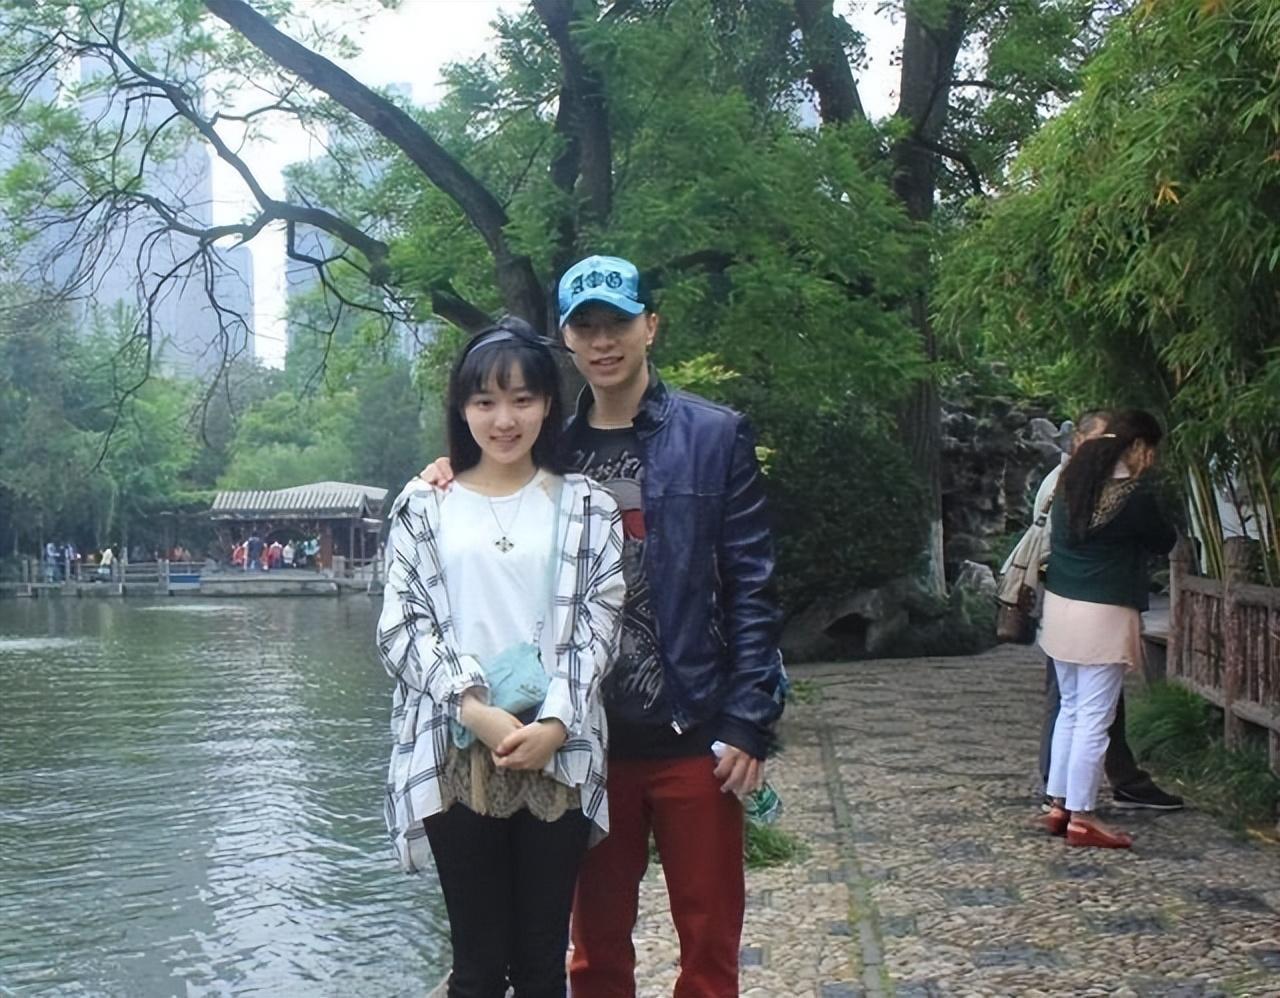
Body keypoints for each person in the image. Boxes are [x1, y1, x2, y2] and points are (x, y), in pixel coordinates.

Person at [420, 255, 785, 996]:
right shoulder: (549, 445)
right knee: (594, 951)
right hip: (583, 736)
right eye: (585, 326)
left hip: (693, 728)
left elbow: (753, 585)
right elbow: (488, 490)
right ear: (567, 339)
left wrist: (750, 720)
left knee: (709, 944)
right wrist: (449, 469)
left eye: (618, 322)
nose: (603, 340)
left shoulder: (714, 436)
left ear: (651, 325)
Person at [377, 318, 625, 998]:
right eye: (485, 401)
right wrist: (472, 706)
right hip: (455, 749)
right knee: (478, 966)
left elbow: (600, 624)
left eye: (522, 399)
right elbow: (402, 626)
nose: (505, 419)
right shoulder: (425, 505)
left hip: (560, 747)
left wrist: (556, 722)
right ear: (462, 409)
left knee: (543, 963)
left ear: (548, 404)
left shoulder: (588, 506)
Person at [1039, 409, 1178, 849]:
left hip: (1059, 607)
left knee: (1070, 708)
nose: (1151, 459)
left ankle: (1059, 804)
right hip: (1104, 611)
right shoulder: (1133, 496)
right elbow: (1164, 540)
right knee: (1095, 717)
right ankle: (1082, 816)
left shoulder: (1068, 483)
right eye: (1149, 449)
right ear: (1136, 446)